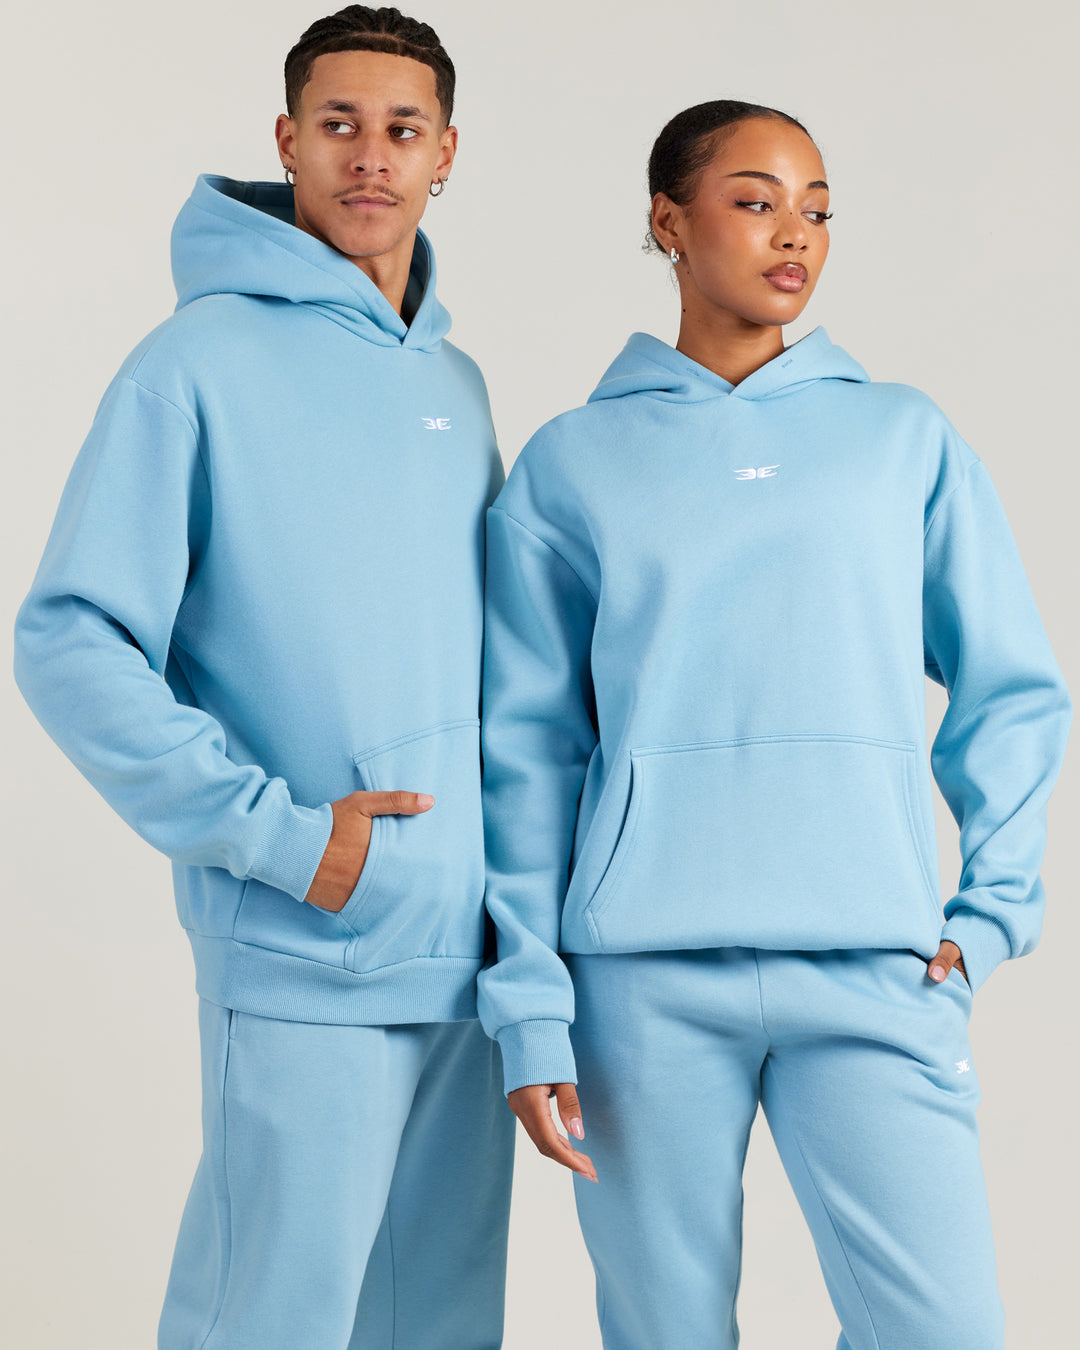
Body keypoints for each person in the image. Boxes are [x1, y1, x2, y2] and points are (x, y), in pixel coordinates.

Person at [476, 100, 1072, 1348]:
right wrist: (530, 1004)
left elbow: (1011, 686)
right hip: (637, 987)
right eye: (755, 202)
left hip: (873, 965)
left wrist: (991, 912)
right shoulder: (573, 463)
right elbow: (527, 752)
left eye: (817, 210)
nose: (794, 233)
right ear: (668, 221)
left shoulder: (901, 437)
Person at [13, 7, 514, 1348]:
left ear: (447, 152)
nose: (371, 157)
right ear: (288, 142)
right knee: (268, 1322)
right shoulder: (194, 364)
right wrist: (285, 840)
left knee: (441, 1328)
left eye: (402, 128)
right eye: (339, 125)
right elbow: (70, 636)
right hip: (306, 943)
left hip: (465, 959)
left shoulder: (457, 386)